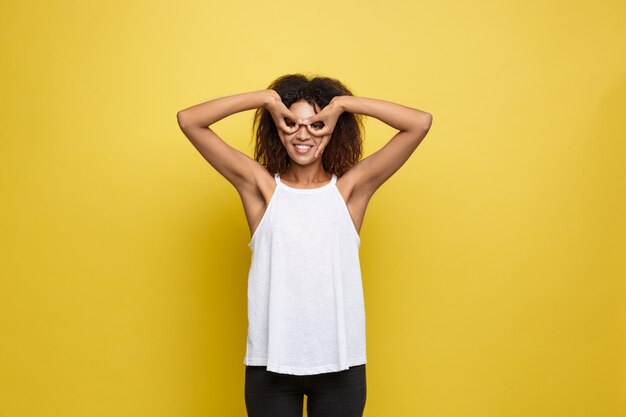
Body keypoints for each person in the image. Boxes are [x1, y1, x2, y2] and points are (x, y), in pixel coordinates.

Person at [176, 74, 432, 417]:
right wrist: (266, 100)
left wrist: (342, 105)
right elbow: (190, 121)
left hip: (341, 365)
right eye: (292, 123)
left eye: (316, 125)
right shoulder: (262, 190)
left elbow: (419, 123)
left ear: (333, 130)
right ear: (277, 129)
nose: (303, 135)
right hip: (271, 365)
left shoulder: (350, 191)